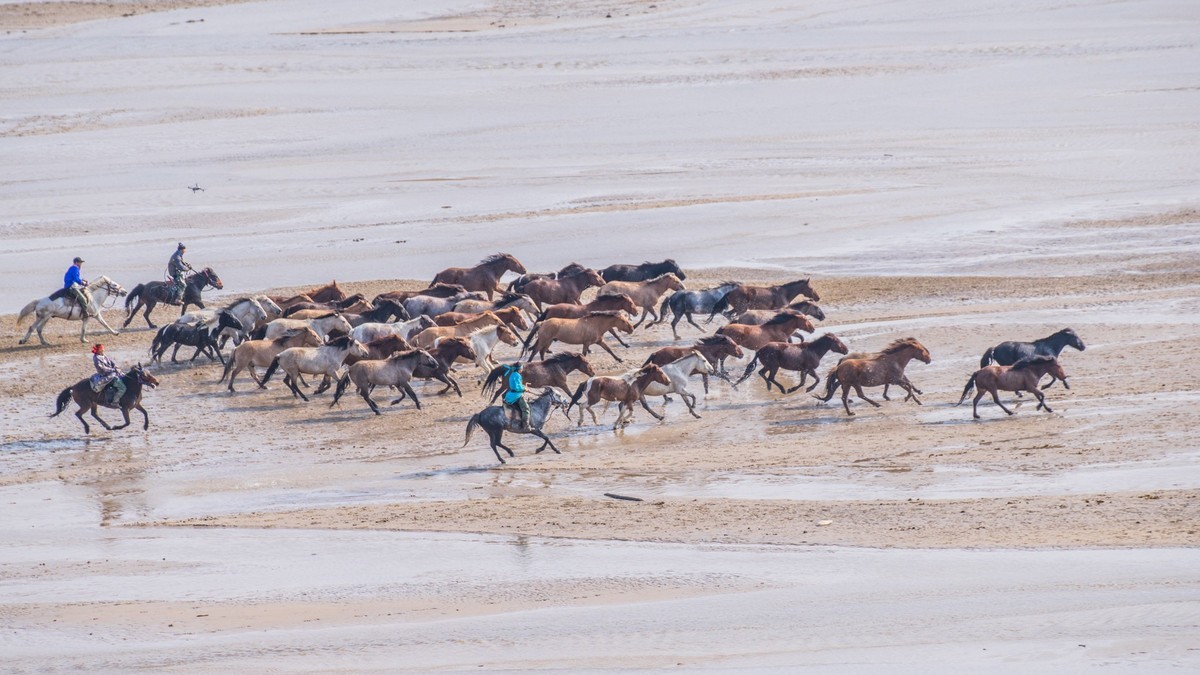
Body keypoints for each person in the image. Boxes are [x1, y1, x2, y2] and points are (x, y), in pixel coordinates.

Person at [501, 361, 530, 431]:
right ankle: (525, 426)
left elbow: (516, 385)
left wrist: (523, 386)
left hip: (510, 394)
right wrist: (524, 388)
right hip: (516, 395)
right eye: (522, 368)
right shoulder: (517, 375)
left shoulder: (513, 374)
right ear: (519, 369)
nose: (522, 370)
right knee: (526, 409)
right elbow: (517, 387)